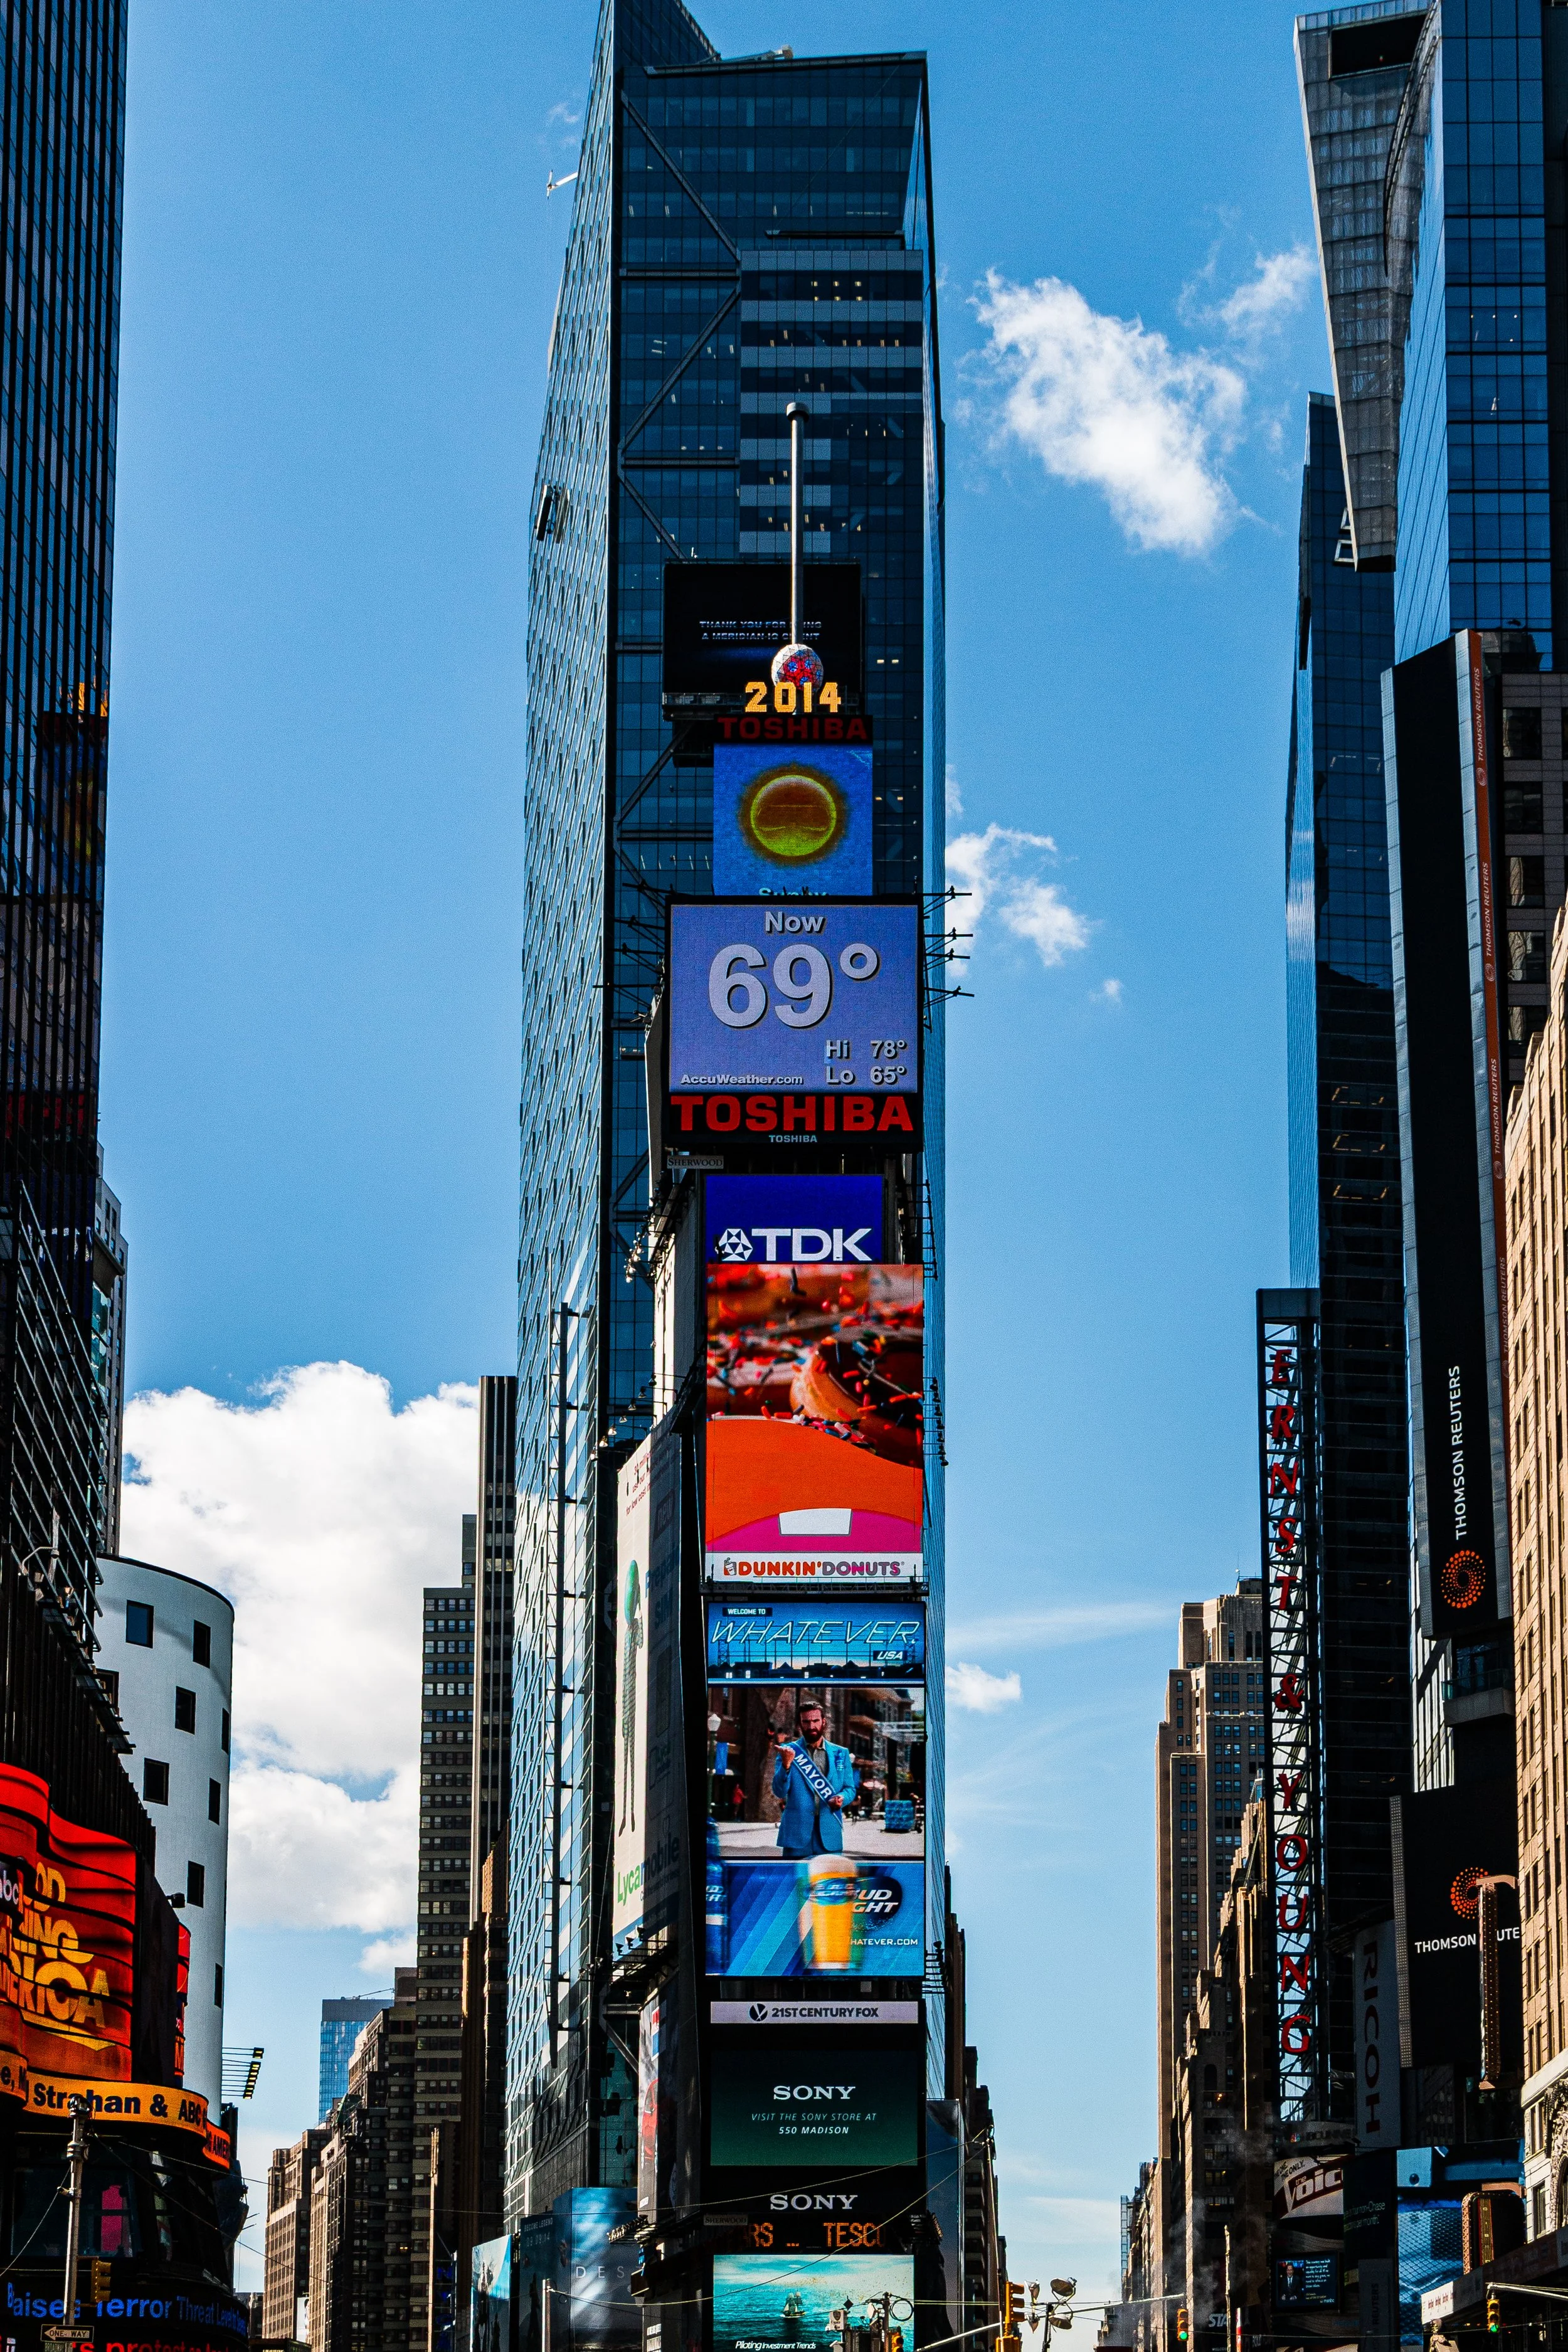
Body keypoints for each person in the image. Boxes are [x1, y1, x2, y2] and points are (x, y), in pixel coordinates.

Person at [771, 1698, 858, 1857]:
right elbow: (779, 1792)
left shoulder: (841, 1753)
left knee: (831, 1881)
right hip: (796, 1835)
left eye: (816, 1720)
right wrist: (786, 1766)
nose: (811, 1726)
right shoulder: (787, 1752)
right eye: (806, 1722)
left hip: (829, 1834)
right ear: (799, 1725)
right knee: (796, 1882)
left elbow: (850, 1789)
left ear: (824, 1722)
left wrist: (841, 1798)